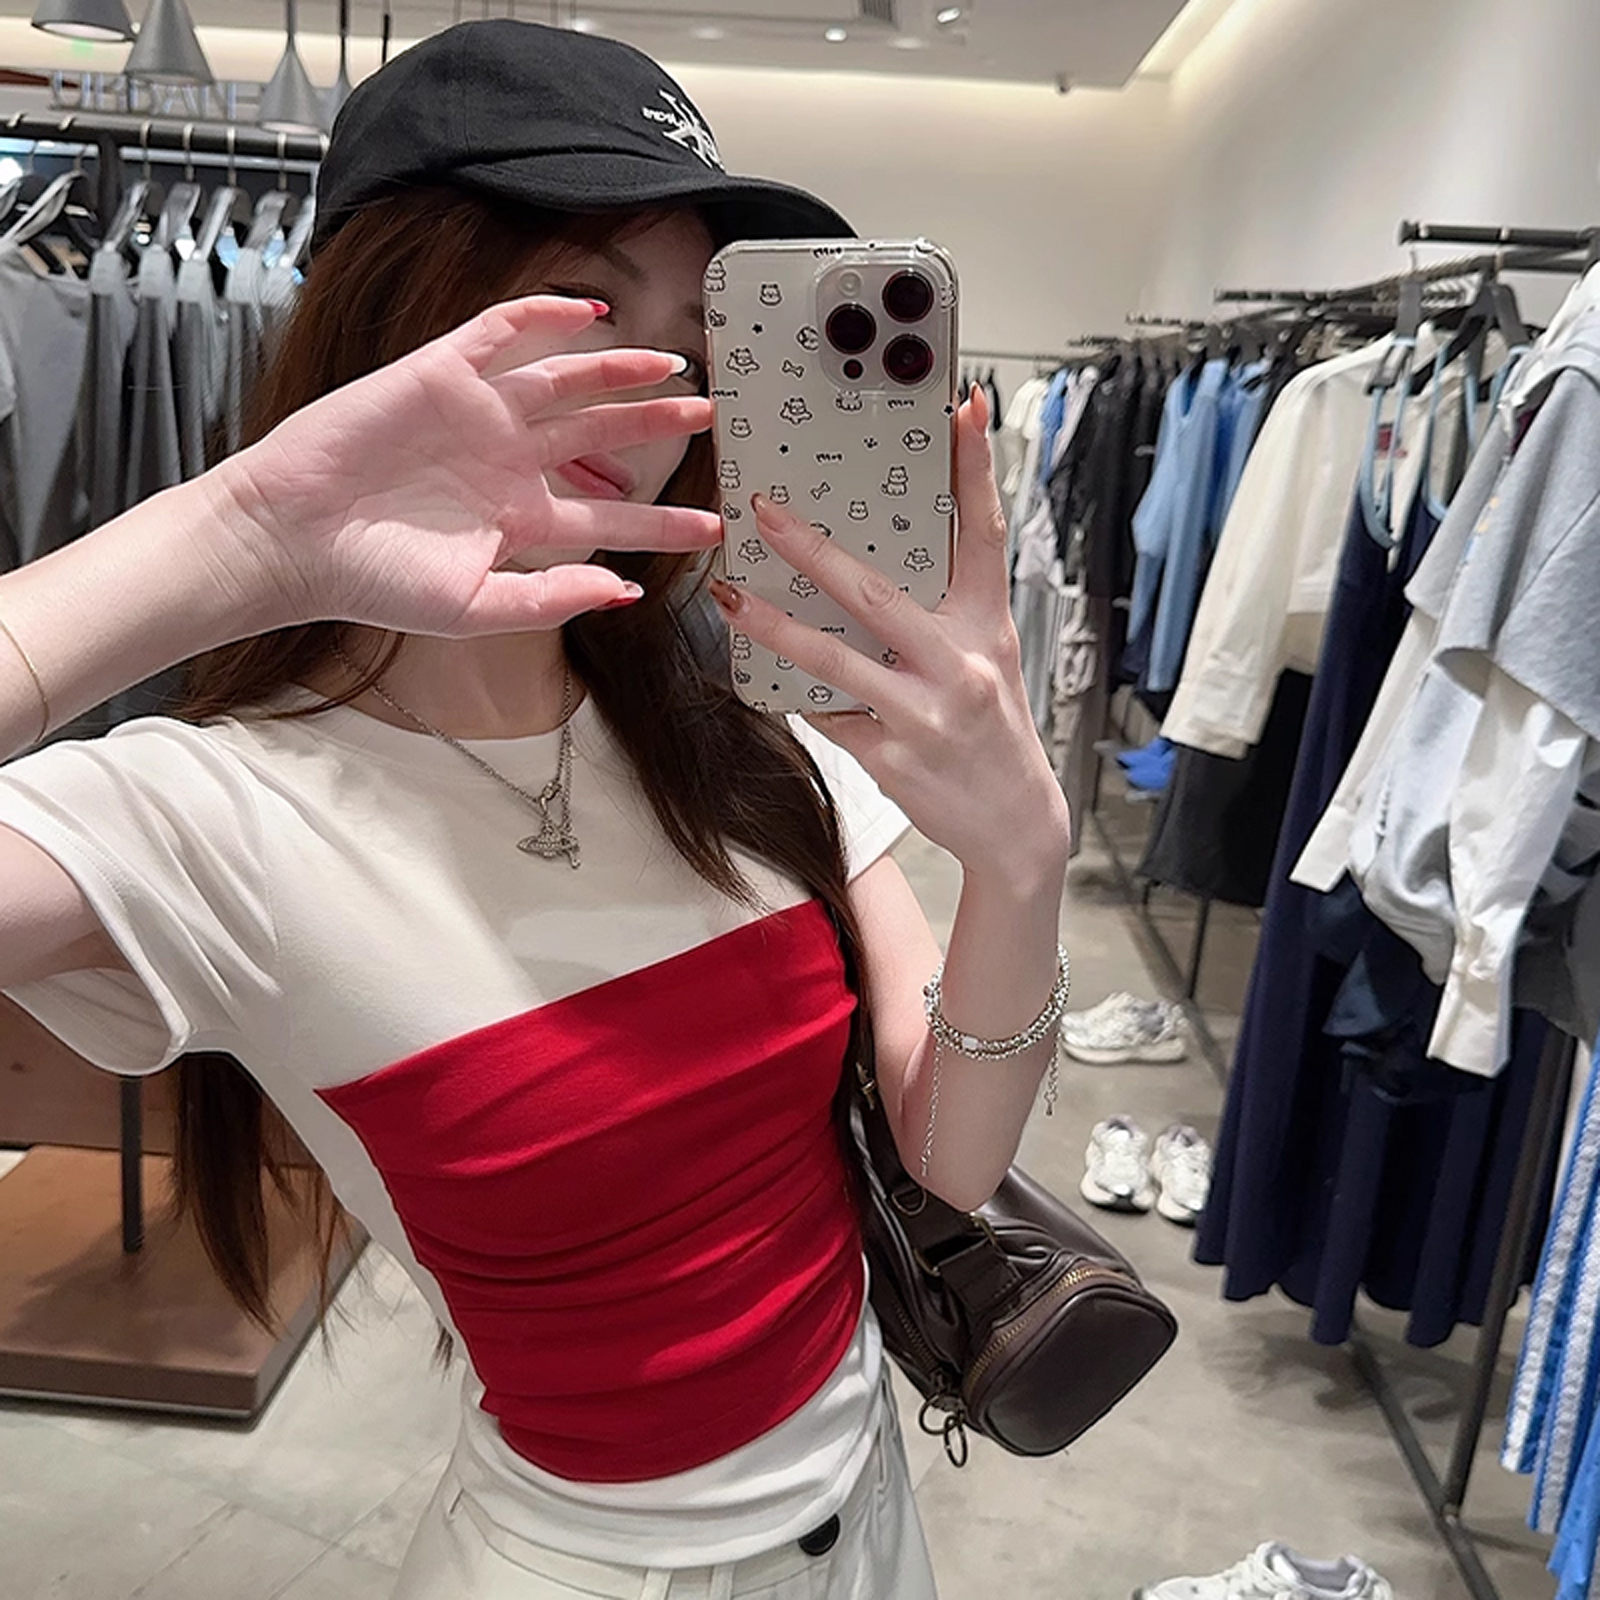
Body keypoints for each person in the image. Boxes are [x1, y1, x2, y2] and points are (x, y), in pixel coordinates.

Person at [0, 21, 1070, 1599]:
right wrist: (243, 536)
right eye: (582, 307)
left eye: (696, 347)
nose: (653, 396)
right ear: (389, 316)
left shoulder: (745, 737)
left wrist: (1023, 865)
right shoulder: (210, 815)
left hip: (875, 1523)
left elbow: (948, 1163)